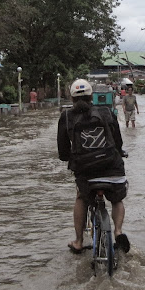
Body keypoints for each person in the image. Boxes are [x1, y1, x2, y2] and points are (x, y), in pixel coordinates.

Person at [57, 78, 130, 254]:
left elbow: (63, 152)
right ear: (92, 96)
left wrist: (70, 158)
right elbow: (118, 142)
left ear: (71, 98)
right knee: (117, 199)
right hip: (112, 167)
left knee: (82, 198)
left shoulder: (66, 117)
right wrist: (119, 152)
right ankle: (118, 231)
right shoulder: (106, 112)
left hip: (85, 172)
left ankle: (79, 241)